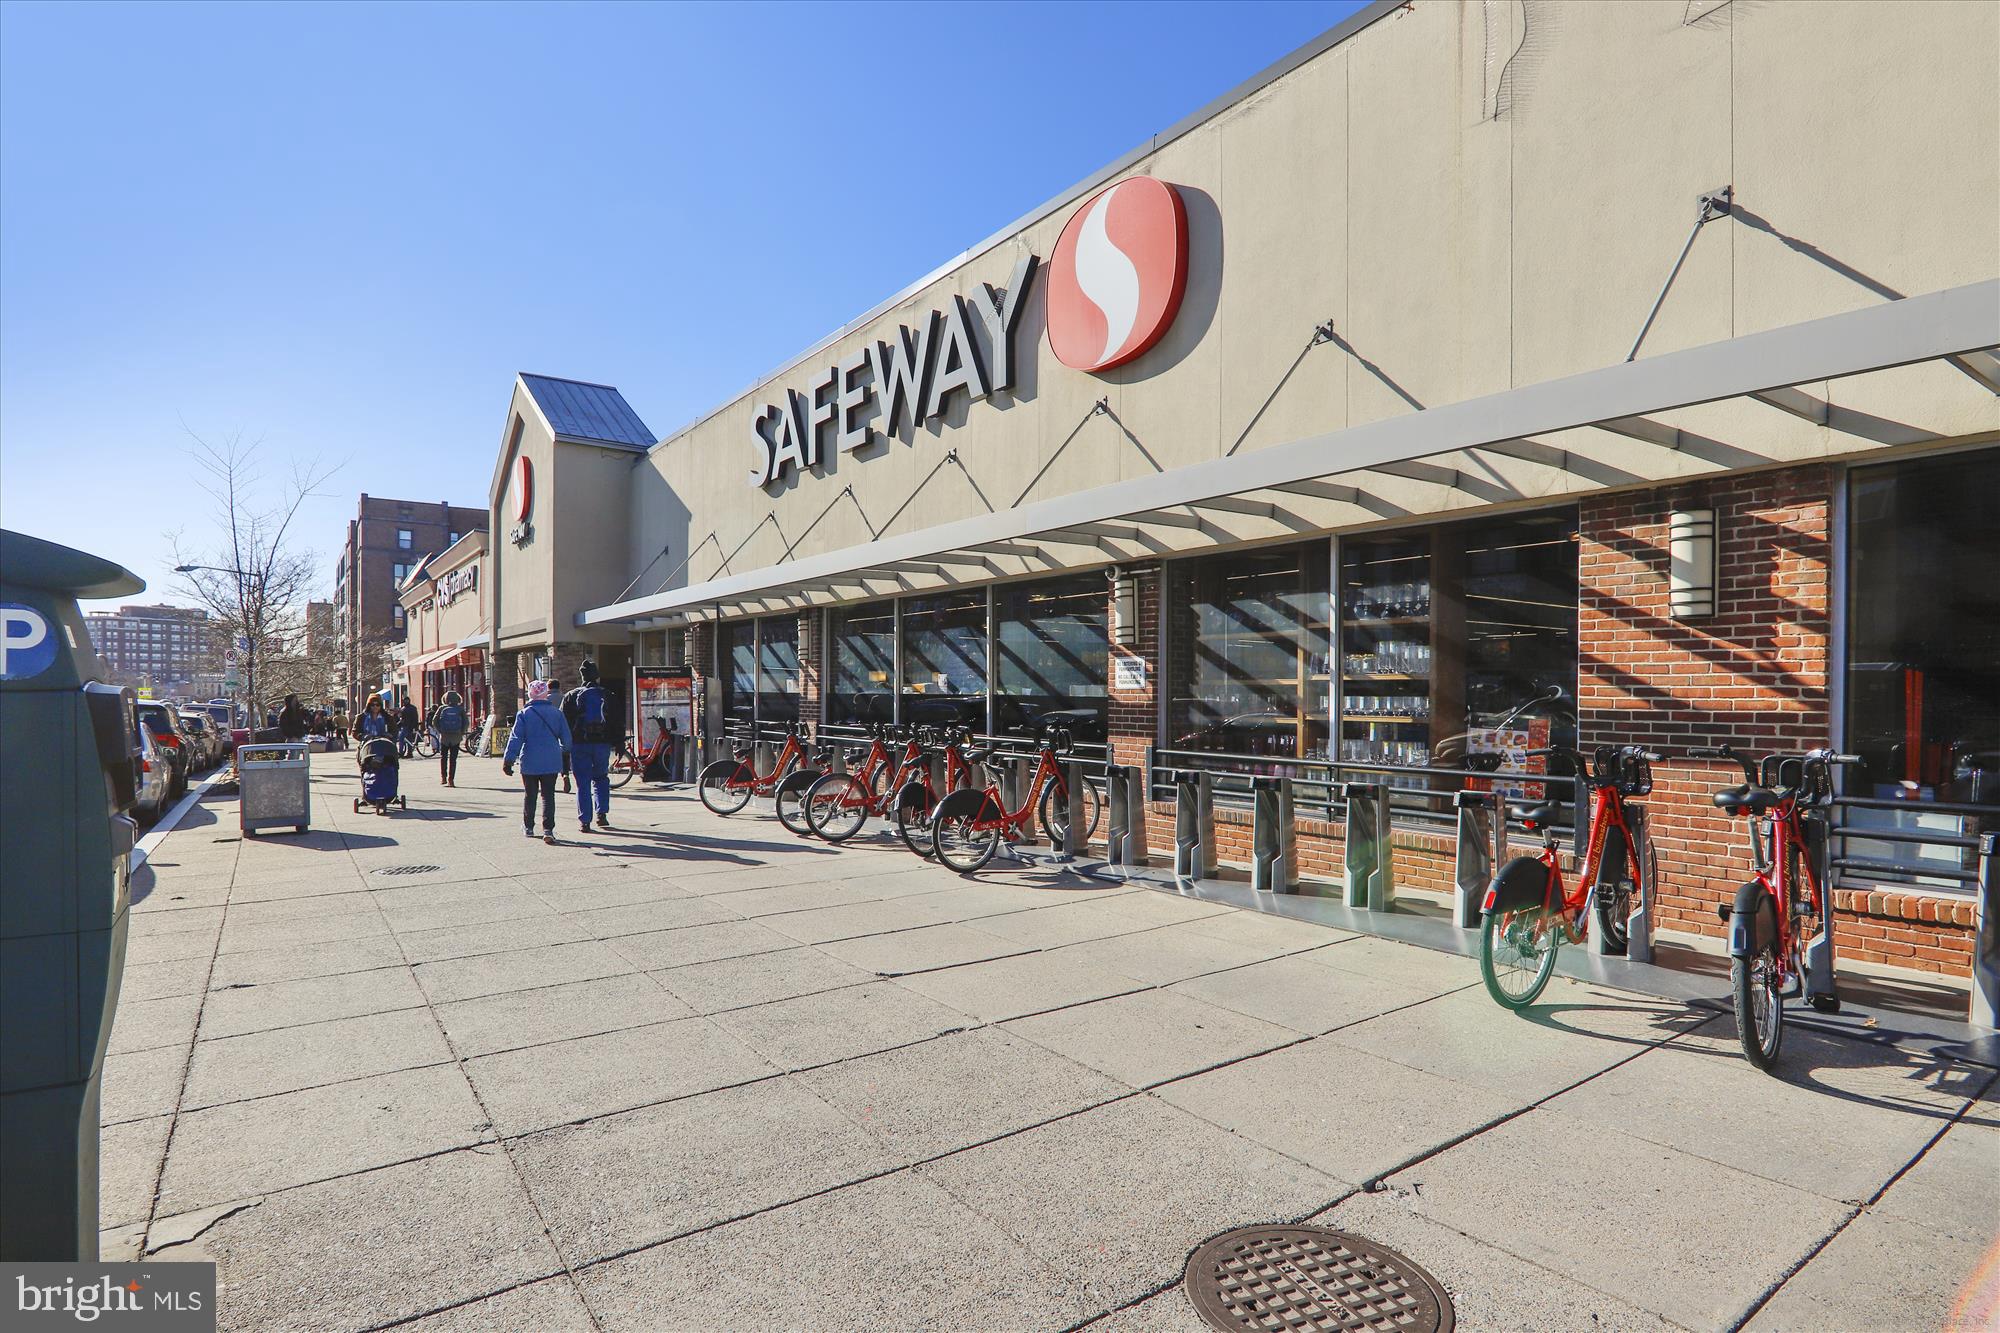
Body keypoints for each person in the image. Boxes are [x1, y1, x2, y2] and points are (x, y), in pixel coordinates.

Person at [503, 679, 571, 843]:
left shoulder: (524, 714)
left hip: (530, 760)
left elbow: (516, 739)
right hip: (551, 760)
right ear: (545, 693)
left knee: (530, 794)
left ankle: (529, 826)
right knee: (548, 796)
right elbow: (567, 741)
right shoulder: (557, 713)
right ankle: (548, 829)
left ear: (530, 694)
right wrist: (558, 751)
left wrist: (508, 760)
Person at [562, 661, 615, 832]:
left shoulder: (571, 696)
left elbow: (564, 723)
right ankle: (602, 814)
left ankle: (585, 821)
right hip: (602, 743)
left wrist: (565, 744)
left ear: (582, 677)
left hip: (579, 744)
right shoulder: (607, 695)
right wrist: (618, 743)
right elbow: (616, 722)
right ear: (597, 676)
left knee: (582, 782)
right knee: (601, 778)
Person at [431, 690, 468, 787]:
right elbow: (466, 722)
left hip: (444, 736)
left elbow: (434, 721)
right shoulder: (460, 709)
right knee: (453, 759)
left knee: (443, 757)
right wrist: (461, 732)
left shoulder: (442, 708)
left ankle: (443, 777)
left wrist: (440, 731)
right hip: (456, 737)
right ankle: (451, 779)